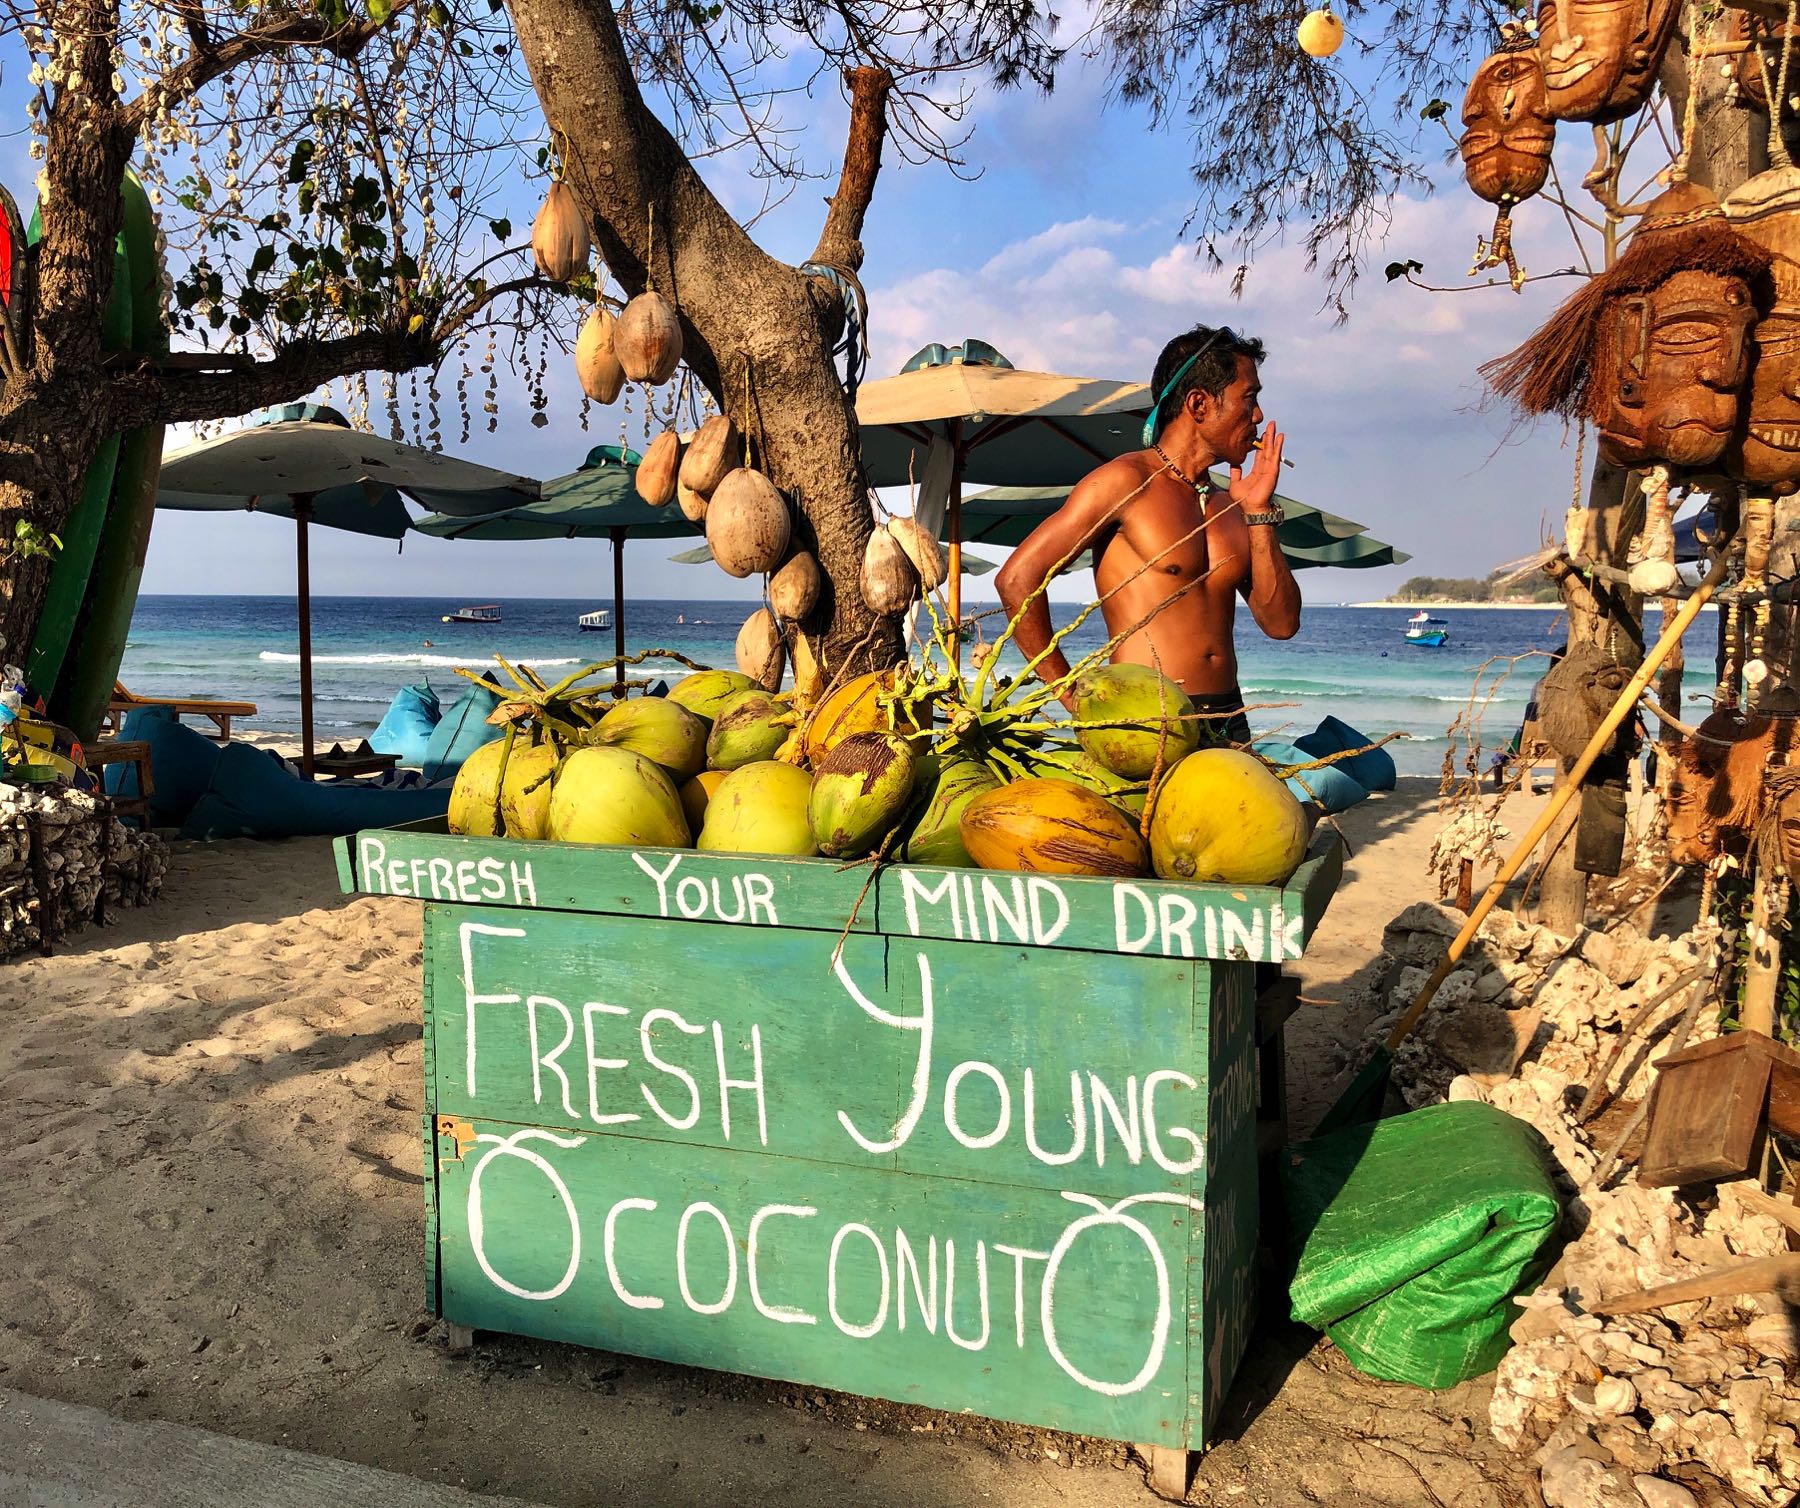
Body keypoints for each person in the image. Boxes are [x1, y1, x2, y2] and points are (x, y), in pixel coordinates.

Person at [994, 324, 1300, 744]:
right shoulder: (1125, 482)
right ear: (1199, 404)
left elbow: (1281, 624)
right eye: (1249, 397)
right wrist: (1069, 694)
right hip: (1145, 720)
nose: (1259, 416)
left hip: (1230, 718)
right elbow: (1016, 579)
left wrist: (1261, 513)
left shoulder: (1233, 505)